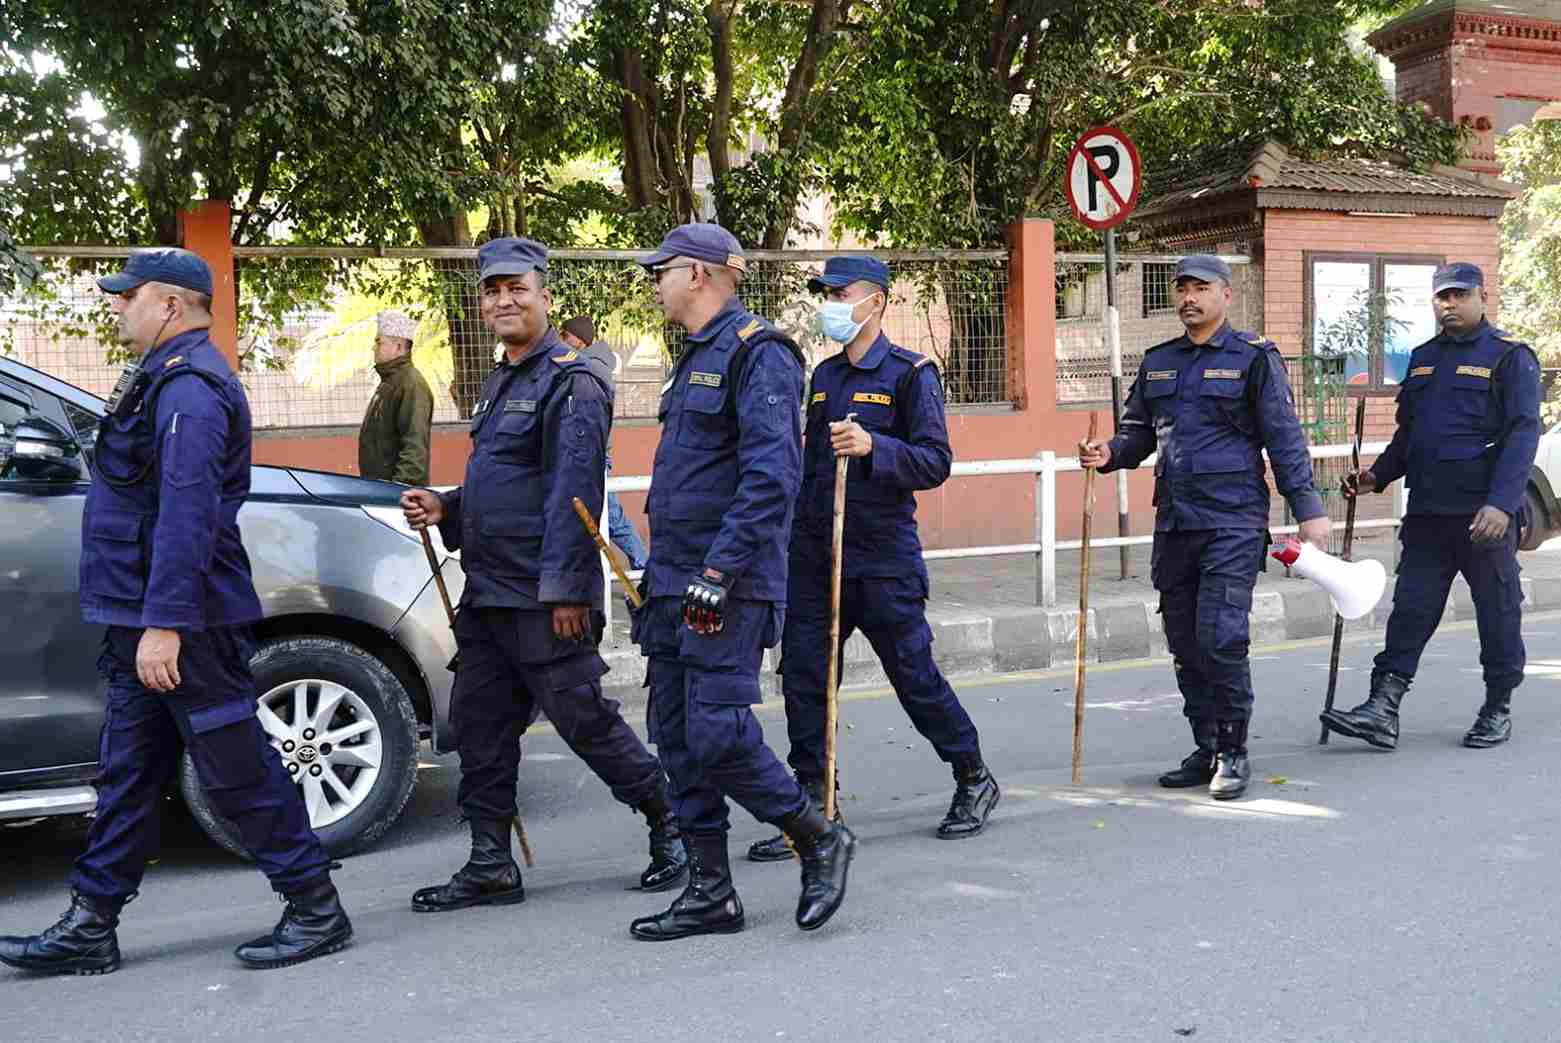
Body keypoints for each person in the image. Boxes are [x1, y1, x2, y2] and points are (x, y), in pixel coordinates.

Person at [0, 249, 352, 975]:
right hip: (143, 619)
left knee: (236, 769)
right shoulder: (159, 379)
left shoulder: (191, 390)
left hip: (184, 624)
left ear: (169, 304)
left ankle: (315, 906)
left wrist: (167, 624)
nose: (116, 306)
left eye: (127, 296)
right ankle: (91, 922)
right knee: (126, 772)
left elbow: (189, 515)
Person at [399, 237, 686, 914]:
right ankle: (490, 862)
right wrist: (446, 506)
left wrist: (567, 591)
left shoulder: (574, 379)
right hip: (490, 589)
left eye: (516, 289)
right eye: (492, 291)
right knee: (478, 724)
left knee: (584, 721)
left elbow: (574, 492)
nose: (503, 300)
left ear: (545, 297)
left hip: (544, 594)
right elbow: (502, 481)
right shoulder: (502, 378)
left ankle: (671, 821)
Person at [627, 223, 856, 940]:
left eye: (660, 270)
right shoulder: (691, 356)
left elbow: (770, 477)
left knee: (718, 732)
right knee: (675, 734)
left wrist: (720, 569)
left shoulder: (761, 353)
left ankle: (815, 835)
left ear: (697, 274)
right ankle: (710, 891)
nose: (653, 282)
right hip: (672, 580)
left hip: (727, 582)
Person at [747, 255, 997, 864]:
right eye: (824, 292)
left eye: (841, 292)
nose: (829, 302)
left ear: (876, 301)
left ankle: (972, 775)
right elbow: (807, 469)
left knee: (913, 677)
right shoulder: (824, 377)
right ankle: (812, 806)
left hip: (882, 556)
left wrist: (872, 446)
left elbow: (935, 461)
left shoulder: (912, 374)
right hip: (817, 554)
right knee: (805, 681)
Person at [1079, 255, 1329, 801]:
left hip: (1233, 521)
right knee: (1185, 641)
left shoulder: (1254, 360)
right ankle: (1206, 744)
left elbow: (1284, 439)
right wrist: (1108, 453)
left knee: (1221, 637)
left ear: (1225, 295)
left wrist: (1308, 508)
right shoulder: (1159, 362)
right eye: (1182, 289)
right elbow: (1138, 433)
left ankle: (1235, 750)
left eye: (1201, 288)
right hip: (1176, 521)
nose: (1189, 297)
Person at [1322, 262, 1540, 750]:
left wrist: (1502, 505)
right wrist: (1377, 475)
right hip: (1426, 515)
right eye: (1442, 296)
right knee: (1411, 611)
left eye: (1460, 295)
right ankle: (1383, 707)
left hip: (1483, 517)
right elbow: (1410, 436)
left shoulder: (1509, 357)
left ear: (1483, 296)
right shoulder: (1422, 359)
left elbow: (1523, 435)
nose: (1450, 304)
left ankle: (1497, 706)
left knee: (1497, 612)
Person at [560, 314, 649, 570]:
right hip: (584, 453)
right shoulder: (586, 366)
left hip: (590, 454)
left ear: (578, 340)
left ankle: (643, 566)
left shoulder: (591, 368)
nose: (561, 341)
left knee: (611, 517)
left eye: (565, 335)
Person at [358, 309, 434, 485]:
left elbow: (414, 447)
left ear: (398, 347)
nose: (374, 348)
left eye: (379, 342)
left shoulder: (411, 384)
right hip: (382, 490)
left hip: (399, 497)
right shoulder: (391, 383)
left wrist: (398, 491)